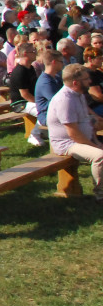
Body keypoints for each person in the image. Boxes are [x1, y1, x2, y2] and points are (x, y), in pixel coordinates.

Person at [47, 64, 103, 202]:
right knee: (100, 156)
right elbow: (73, 133)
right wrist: (95, 146)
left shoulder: (79, 95)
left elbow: (86, 124)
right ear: (75, 82)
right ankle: (100, 194)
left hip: (81, 139)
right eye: (86, 79)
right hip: (66, 144)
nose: (90, 81)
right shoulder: (64, 100)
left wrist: (96, 141)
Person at [9, 42, 45, 145]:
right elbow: (24, 94)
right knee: (44, 111)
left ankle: (43, 132)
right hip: (20, 103)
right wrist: (40, 103)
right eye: (33, 51)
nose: (35, 53)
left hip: (29, 101)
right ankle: (34, 135)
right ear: (25, 53)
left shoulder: (30, 68)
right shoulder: (20, 71)